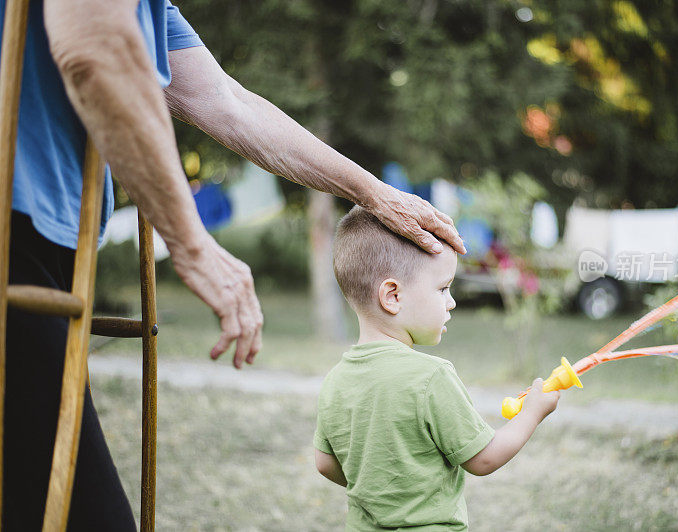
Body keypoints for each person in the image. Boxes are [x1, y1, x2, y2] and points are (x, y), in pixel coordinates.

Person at [4, 0, 464, 529]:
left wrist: (374, 192)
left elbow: (226, 101)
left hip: (48, 244)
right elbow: (94, 47)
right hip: (12, 236)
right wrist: (192, 242)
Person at [313, 206, 560, 530]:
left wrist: (377, 482)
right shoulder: (431, 378)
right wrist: (532, 413)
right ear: (392, 296)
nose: (451, 301)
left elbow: (325, 464)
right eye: (443, 288)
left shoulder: (335, 381)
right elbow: (483, 458)